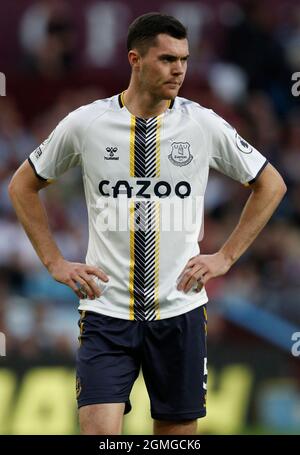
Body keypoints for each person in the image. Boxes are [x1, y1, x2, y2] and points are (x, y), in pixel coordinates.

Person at [8, 12, 286, 435]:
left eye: (184, 59)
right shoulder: (88, 123)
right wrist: (54, 263)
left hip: (179, 311)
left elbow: (271, 184)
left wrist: (226, 257)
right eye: (167, 59)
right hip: (106, 311)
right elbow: (22, 185)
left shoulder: (202, 124)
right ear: (135, 60)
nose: (179, 69)